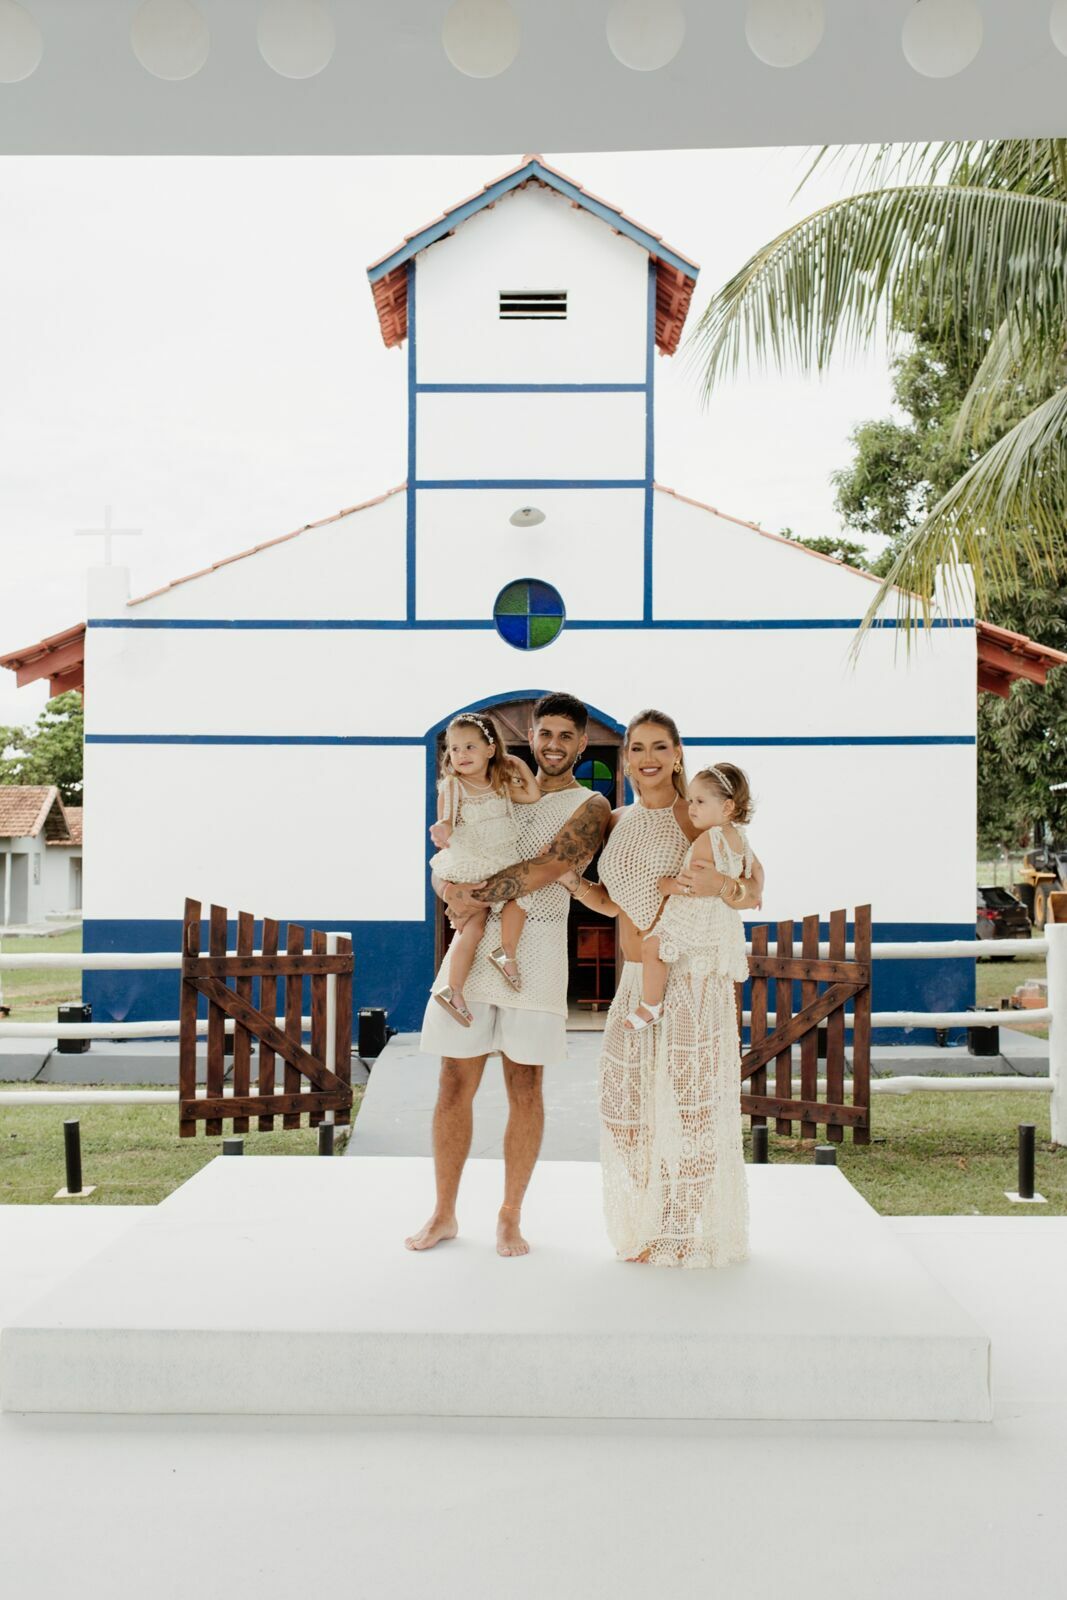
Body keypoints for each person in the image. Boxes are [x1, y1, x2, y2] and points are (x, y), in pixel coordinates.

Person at [406, 692, 610, 1259]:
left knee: (525, 1085)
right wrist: (448, 888)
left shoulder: (591, 805)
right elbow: (453, 856)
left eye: (566, 736)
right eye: (546, 733)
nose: (554, 745)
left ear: (581, 744)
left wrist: (471, 894)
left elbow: (550, 868)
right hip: (473, 948)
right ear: (532, 735)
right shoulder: (491, 781)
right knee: (453, 1081)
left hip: (534, 953)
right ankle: (444, 1212)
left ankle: (509, 1215)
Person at [564, 711, 763, 1269]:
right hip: (636, 978)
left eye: (659, 746)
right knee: (625, 1107)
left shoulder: (696, 815)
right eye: (636, 748)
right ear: (625, 756)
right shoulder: (619, 819)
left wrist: (724, 884)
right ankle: (654, 1215)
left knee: (688, 1108)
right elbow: (616, 901)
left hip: (688, 980)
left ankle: (677, 1224)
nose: (646, 758)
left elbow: (750, 885)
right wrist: (575, 885)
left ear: (677, 753)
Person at [428, 711, 541, 1024]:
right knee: (476, 926)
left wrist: (519, 765)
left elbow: (532, 795)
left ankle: (504, 953)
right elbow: (446, 820)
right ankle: (456, 989)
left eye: (469, 747)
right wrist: (441, 830)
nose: (460, 755)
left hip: (501, 861)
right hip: (473, 864)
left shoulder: (501, 783)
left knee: (515, 902)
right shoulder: (453, 786)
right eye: (454, 749)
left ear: (490, 750)